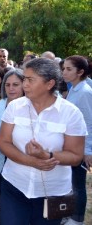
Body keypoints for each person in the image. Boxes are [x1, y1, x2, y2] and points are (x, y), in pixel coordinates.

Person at [0, 58, 87, 225]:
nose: (25, 84)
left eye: (31, 80)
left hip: (52, 192)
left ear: (49, 84)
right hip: (15, 187)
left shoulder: (71, 113)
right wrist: (31, 161)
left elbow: (76, 156)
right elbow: (3, 142)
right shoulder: (14, 107)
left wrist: (47, 155)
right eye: (24, 78)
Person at [0, 69, 24, 224]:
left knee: (21, 205)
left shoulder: (31, 108)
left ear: (24, 85)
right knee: (3, 206)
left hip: (22, 165)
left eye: (16, 84)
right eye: (7, 85)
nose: (11, 88)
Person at [62, 55, 92, 225]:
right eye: (64, 68)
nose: (64, 72)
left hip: (80, 147)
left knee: (78, 185)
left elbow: (89, 122)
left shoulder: (85, 92)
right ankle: (71, 214)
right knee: (72, 183)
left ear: (80, 72)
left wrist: (88, 151)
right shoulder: (74, 88)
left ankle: (77, 219)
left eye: (68, 69)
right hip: (71, 144)